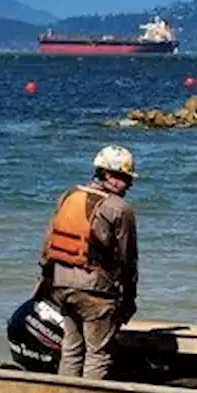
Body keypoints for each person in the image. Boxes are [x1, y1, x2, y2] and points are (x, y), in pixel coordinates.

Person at [39, 145, 139, 380]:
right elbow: (128, 260)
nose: (129, 184)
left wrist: (45, 284)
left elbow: (47, 246)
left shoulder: (68, 196)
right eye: (124, 178)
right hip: (95, 291)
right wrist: (129, 299)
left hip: (61, 285)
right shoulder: (120, 209)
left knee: (71, 350)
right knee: (98, 354)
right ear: (107, 175)